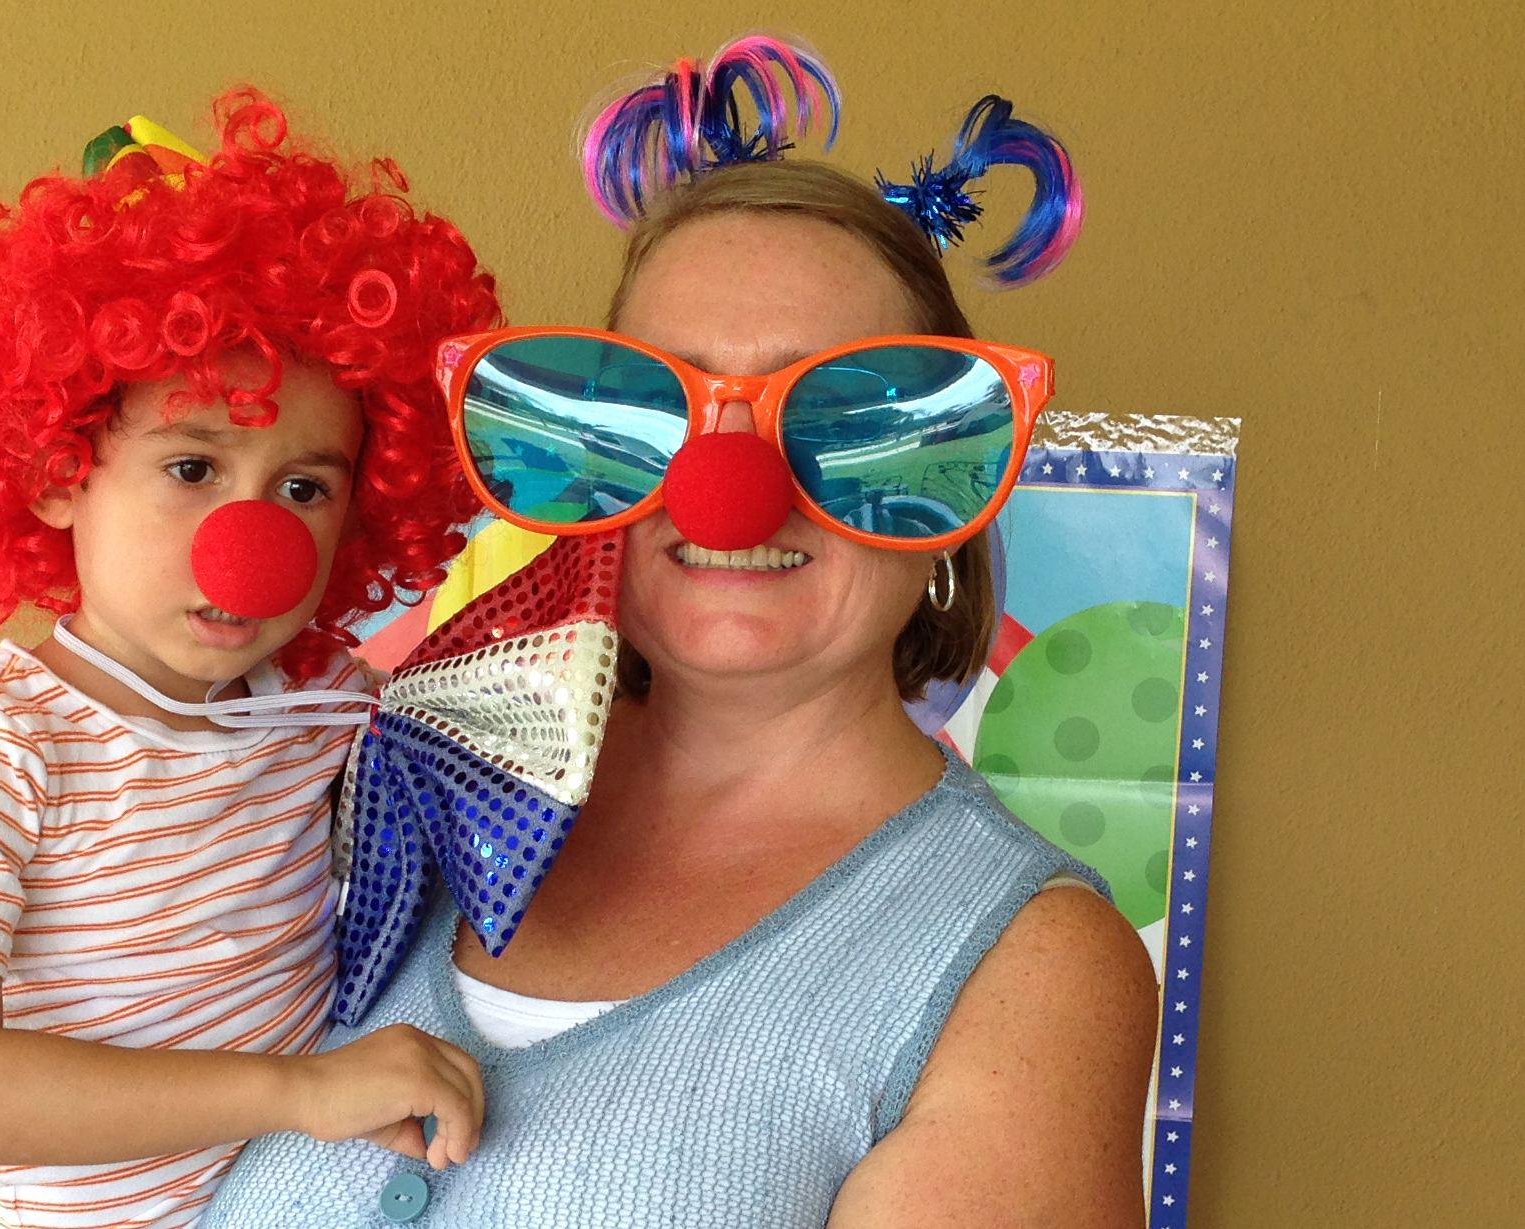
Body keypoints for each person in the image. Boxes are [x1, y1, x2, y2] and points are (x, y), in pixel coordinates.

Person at [204, 37, 1157, 1229]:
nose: (728, 483)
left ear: (944, 490)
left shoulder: (1027, 965)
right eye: (660, 403)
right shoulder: (382, 776)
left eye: (841, 417)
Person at [0, 90, 498, 1229]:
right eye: (192, 467)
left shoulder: (330, 705)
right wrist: (297, 1091)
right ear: (54, 470)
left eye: (302, 488)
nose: (253, 542)